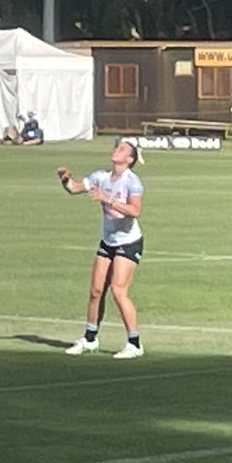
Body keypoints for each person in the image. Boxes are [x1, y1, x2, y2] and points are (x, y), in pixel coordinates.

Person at [57, 139, 146, 359]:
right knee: (96, 290)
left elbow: (135, 211)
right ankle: (89, 338)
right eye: (117, 147)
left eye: (123, 149)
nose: (117, 150)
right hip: (108, 240)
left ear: (130, 159)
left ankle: (134, 343)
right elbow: (76, 188)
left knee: (118, 290)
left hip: (129, 241)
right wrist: (66, 180)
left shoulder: (132, 181)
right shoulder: (101, 176)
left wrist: (107, 199)